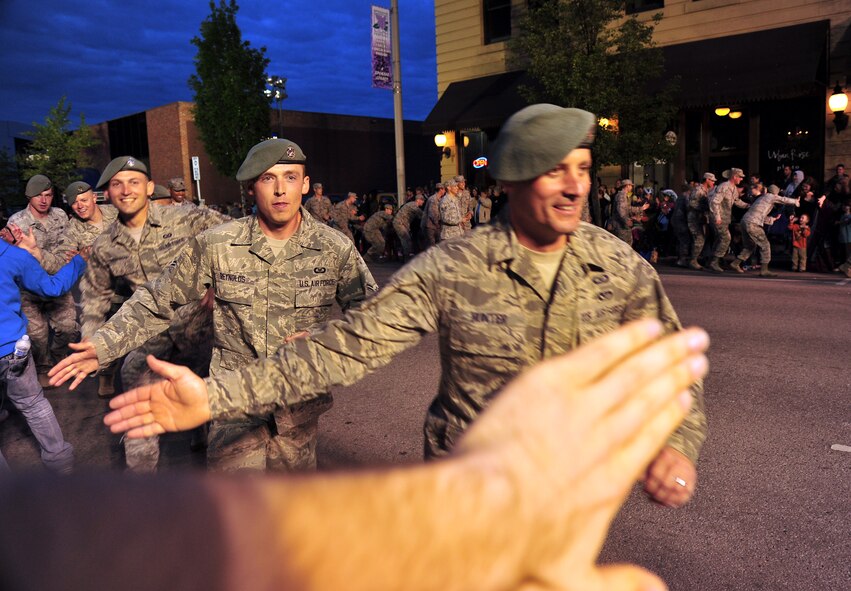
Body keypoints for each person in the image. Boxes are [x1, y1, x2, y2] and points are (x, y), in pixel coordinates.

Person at [104, 104, 707, 508]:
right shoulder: (454, 267)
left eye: (582, 168)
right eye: (555, 172)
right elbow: (353, 344)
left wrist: (677, 439)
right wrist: (212, 397)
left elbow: (669, 361)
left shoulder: (621, 265)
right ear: (513, 181)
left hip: (577, 484)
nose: (576, 186)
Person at [2, 320, 708, 591]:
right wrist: (481, 507)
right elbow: (45, 543)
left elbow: (357, 325)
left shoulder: (611, 257)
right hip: (244, 418)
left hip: (300, 422)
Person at [51, 140, 377, 473]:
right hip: (232, 406)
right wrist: (102, 344)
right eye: (268, 179)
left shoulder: (334, 247)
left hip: (297, 407)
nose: (280, 189)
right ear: (252, 187)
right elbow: (156, 299)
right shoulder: (217, 244)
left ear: (305, 184)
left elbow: (373, 318)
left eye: (290, 177)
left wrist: (326, 337)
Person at [61, 156, 228, 472]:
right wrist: (93, 345)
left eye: (134, 182)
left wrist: (215, 284)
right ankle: (141, 482)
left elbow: (231, 237)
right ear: (107, 194)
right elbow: (95, 300)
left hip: (198, 328)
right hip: (146, 333)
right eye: (117, 184)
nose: (126, 190)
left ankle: (201, 434)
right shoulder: (105, 245)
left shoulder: (185, 218)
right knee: (136, 396)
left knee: (209, 391)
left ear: (149, 187)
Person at [0, 222, 84, 474]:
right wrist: (79, 261)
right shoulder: (14, 256)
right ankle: (60, 461)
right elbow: (52, 288)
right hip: (13, 349)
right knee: (33, 403)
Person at [8, 174, 77, 387]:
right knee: (37, 335)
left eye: (48, 195)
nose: (44, 200)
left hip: (57, 284)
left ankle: (59, 355)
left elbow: (67, 249)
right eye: (39, 196)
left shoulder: (60, 216)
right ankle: (44, 365)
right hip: (29, 289)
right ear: (29, 197)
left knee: (68, 328)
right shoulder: (17, 222)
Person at [64, 180, 121, 397]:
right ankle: (106, 374)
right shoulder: (72, 229)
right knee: (98, 334)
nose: (80, 205)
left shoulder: (116, 213)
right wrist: (77, 258)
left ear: (94, 198)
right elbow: (65, 258)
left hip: (129, 282)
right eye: (75, 203)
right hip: (98, 289)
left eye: (83, 200)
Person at [729, 184, 798, 277]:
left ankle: (736, 263)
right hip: (753, 224)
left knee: (750, 245)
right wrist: (795, 201)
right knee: (765, 245)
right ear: (775, 193)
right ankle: (764, 270)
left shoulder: (761, 199)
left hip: (745, 222)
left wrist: (773, 219)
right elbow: (784, 200)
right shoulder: (771, 197)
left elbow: (760, 215)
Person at [708, 167, 749, 273]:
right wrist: (717, 217)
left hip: (725, 219)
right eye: (740, 177)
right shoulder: (724, 187)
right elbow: (714, 202)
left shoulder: (733, 188)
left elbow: (737, 201)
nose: (741, 179)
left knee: (719, 239)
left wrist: (749, 206)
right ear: (734, 176)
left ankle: (713, 260)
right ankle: (714, 262)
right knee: (726, 238)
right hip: (719, 218)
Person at [686, 172, 715, 270]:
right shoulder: (698, 189)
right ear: (707, 180)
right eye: (712, 180)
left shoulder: (707, 190)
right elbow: (692, 203)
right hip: (694, 218)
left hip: (700, 218)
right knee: (699, 239)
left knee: (701, 239)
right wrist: (705, 207)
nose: (713, 183)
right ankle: (693, 261)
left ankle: (696, 259)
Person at [392, 192, 424, 258]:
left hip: (401, 223)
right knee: (406, 239)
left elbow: (419, 216)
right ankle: (406, 257)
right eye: (422, 200)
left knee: (406, 239)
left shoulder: (412, 205)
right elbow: (421, 214)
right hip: (399, 223)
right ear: (418, 200)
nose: (423, 202)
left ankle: (404, 255)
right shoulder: (414, 205)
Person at [610, 178, 634, 245]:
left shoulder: (624, 195)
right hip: (621, 226)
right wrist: (627, 220)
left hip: (622, 225)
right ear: (627, 186)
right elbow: (621, 211)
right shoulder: (621, 196)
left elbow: (628, 208)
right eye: (631, 185)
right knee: (624, 245)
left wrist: (640, 209)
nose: (631, 187)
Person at [420, 182, 445, 247]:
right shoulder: (433, 199)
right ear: (440, 189)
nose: (445, 191)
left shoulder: (439, 198)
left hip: (435, 226)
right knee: (431, 247)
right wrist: (438, 224)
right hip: (431, 226)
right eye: (444, 189)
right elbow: (433, 214)